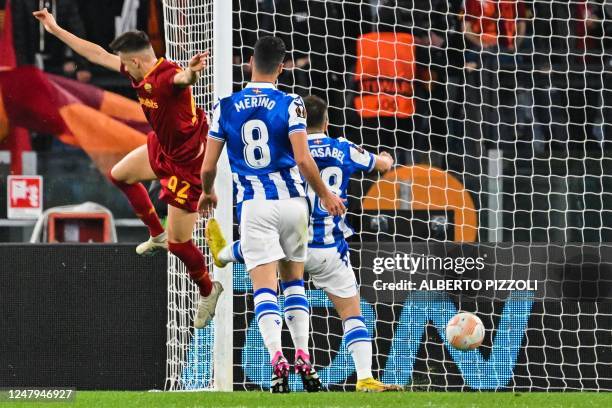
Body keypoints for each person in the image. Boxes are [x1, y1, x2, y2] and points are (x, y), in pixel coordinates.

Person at [32, 8, 223, 329]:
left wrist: (192, 73)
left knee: (181, 244)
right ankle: (156, 234)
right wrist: (56, 30)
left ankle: (208, 289)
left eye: (123, 61)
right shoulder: (140, 70)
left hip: (189, 162)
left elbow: (182, 79)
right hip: (164, 146)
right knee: (120, 174)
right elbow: (97, 54)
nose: (119, 64)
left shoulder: (166, 77)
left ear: (135, 62)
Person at [205, 95, 402, 392]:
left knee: (261, 252)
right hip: (329, 248)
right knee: (352, 313)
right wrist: (387, 159)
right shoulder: (343, 148)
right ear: (326, 121)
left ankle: (223, 253)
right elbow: (380, 164)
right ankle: (364, 377)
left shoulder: (287, 149)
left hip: (291, 235)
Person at [197, 37, 346, 393]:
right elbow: (303, 159)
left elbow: (207, 166)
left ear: (249, 62)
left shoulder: (225, 106)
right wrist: (325, 194)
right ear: (281, 67)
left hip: (254, 207)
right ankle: (304, 358)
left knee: (264, 288)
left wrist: (207, 192)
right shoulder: (291, 103)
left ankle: (277, 360)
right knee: (294, 282)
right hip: (294, 204)